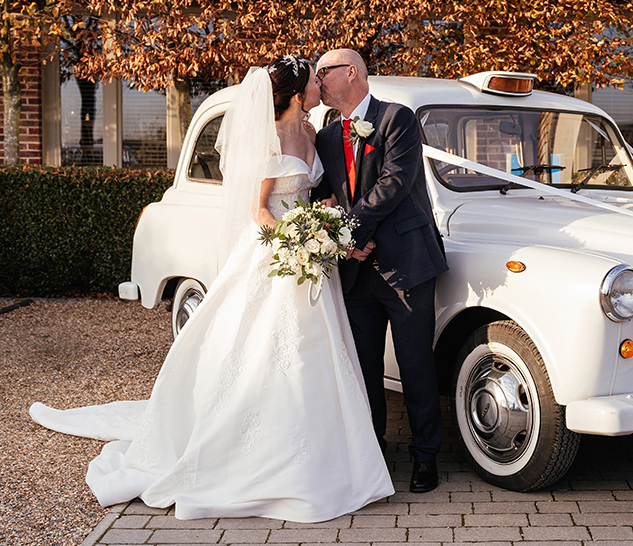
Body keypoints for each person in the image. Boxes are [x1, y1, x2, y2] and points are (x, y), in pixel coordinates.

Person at [29, 55, 394, 522]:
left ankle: (330, 455)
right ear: (296, 91)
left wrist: (328, 229)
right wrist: (295, 243)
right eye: (312, 82)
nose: (319, 88)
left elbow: (318, 194)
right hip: (276, 255)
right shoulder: (268, 136)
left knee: (320, 353)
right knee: (270, 351)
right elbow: (259, 210)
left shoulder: (311, 131)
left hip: (311, 257)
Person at [310, 49, 448, 493]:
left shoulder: (398, 119)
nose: (318, 80)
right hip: (355, 272)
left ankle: (426, 456)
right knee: (363, 367)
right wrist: (340, 237)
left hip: (407, 264)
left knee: (415, 366)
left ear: (351, 72)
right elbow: (324, 195)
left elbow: (395, 181)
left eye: (322, 72)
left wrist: (352, 229)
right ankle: (373, 452)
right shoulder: (327, 136)